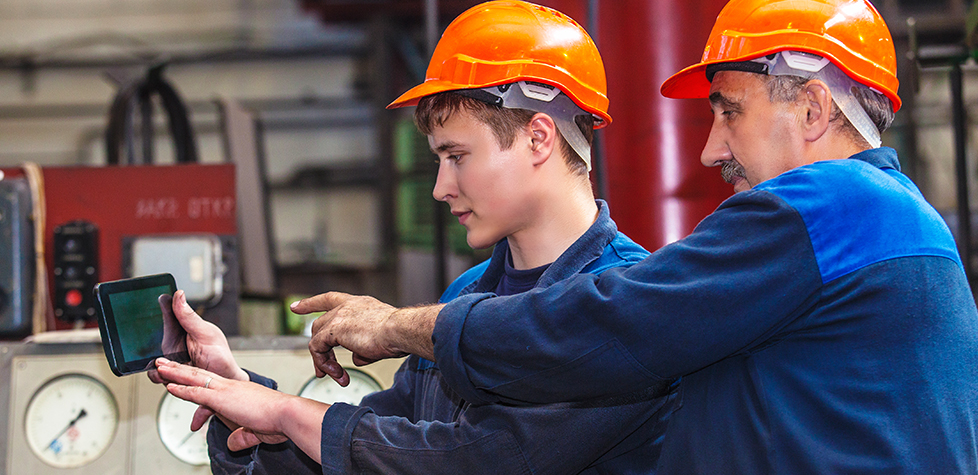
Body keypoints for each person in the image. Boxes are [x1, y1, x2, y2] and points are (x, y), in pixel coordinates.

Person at [300, 0, 978, 473]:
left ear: (812, 107)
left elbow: (609, 323)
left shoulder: (828, 206)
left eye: (729, 112)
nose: (711, 149)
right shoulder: (898, 219)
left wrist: (399, 327)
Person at [153, 2, 676, 473]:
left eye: (457, 157)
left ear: (537, 137)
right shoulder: (468, 295)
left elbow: (479, 460)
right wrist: (237, 394)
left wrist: (288, 412)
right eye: (437, 160)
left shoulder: (626, 307)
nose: (440, 188)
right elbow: (370, 450)